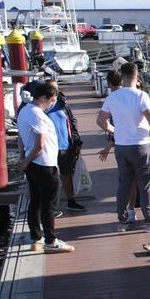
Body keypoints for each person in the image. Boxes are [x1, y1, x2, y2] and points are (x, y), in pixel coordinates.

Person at [97, 61, 150, 231]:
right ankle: (149, 221)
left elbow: (100, 121)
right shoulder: (141, 96)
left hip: (121, 146)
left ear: (122, 76)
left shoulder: (113, 97)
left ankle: (122, 221)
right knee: (146, 184)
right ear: (137, 75)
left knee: (124, 184)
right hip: (140, 145)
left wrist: (114, 130)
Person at [16, 81, 74, 253]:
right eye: (52, 100)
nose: (53, 104)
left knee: (35, 201)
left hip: (32, 164)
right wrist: (27, 160)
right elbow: (40, 145)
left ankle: (36, 238)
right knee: (49, 204)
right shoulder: (37, 115)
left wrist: (23, 158)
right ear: (43, 98)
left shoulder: (24, 111)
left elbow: (21, 138)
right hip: (44, 164)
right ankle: (51, 241)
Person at [45, 79, 86, 212]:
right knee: (51, 178)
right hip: (50, 147)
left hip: (65, 146)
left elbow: (72, 122)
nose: (55, 92)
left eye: (56, 89)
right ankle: (51, 206)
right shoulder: (42, 107)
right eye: (52, 89)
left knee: (67, 174)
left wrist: (77, 141)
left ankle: (71, 201)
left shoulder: (62, 104)